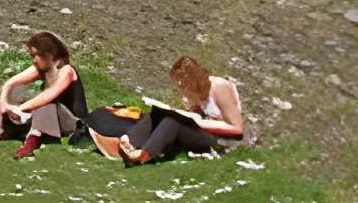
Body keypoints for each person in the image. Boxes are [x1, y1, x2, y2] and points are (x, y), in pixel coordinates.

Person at [88, 55, 246, 165]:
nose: (180, 87)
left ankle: (144, 155)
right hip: (203, 130)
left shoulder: (219, 87)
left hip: (220, 140)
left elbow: (236, 129)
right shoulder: (193, 91)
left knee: (172, 121)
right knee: (159, 112)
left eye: (182, 83)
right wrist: (189, 113)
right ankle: (127, 142)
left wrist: (197, 122)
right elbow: (200, 114)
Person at [0, 32, 86, 158]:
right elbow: (10, 84)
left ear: (50, 54)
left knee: (47, 105)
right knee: (17, 91)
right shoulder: (42, 69)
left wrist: (21, 108)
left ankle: (34, 138)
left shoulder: (67, 71)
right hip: (49, 119)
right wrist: (3, 103)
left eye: (37, 55)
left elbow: (50, 94)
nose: (34, 60)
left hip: (72, 124)